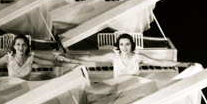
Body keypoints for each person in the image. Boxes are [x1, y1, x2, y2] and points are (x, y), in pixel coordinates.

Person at [56, 33, 193, 76]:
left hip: (134, 87)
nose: (124, 47)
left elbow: (161, 63)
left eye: (127, 44)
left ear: (132, 45)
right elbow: (89, 58)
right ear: (118, 46)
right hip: (118, 87)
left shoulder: (139, 57)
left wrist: (184, 64)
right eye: (121, 44)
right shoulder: (113, 56)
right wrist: (69, 56)